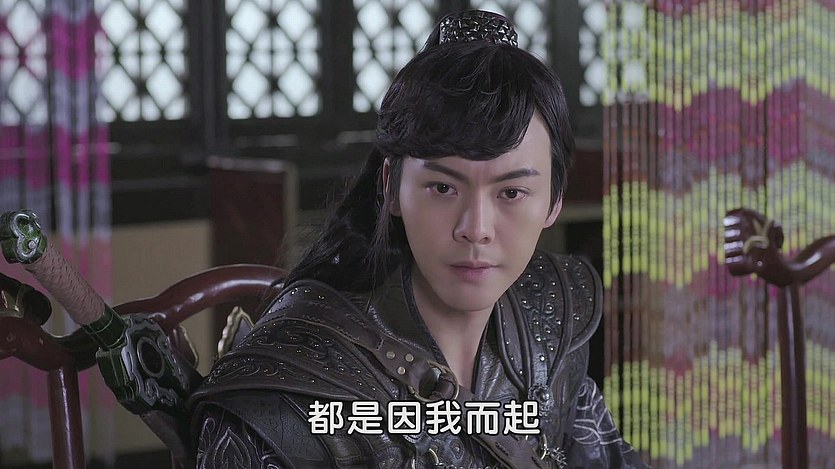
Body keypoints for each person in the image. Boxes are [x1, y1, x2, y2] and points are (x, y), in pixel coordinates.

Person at [190, 10, 646, 469]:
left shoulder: (549, 322)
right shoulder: (284, 400)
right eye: (443, 188)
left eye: (511, 192)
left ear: (554, 200)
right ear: (391, 187)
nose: (476, 228)